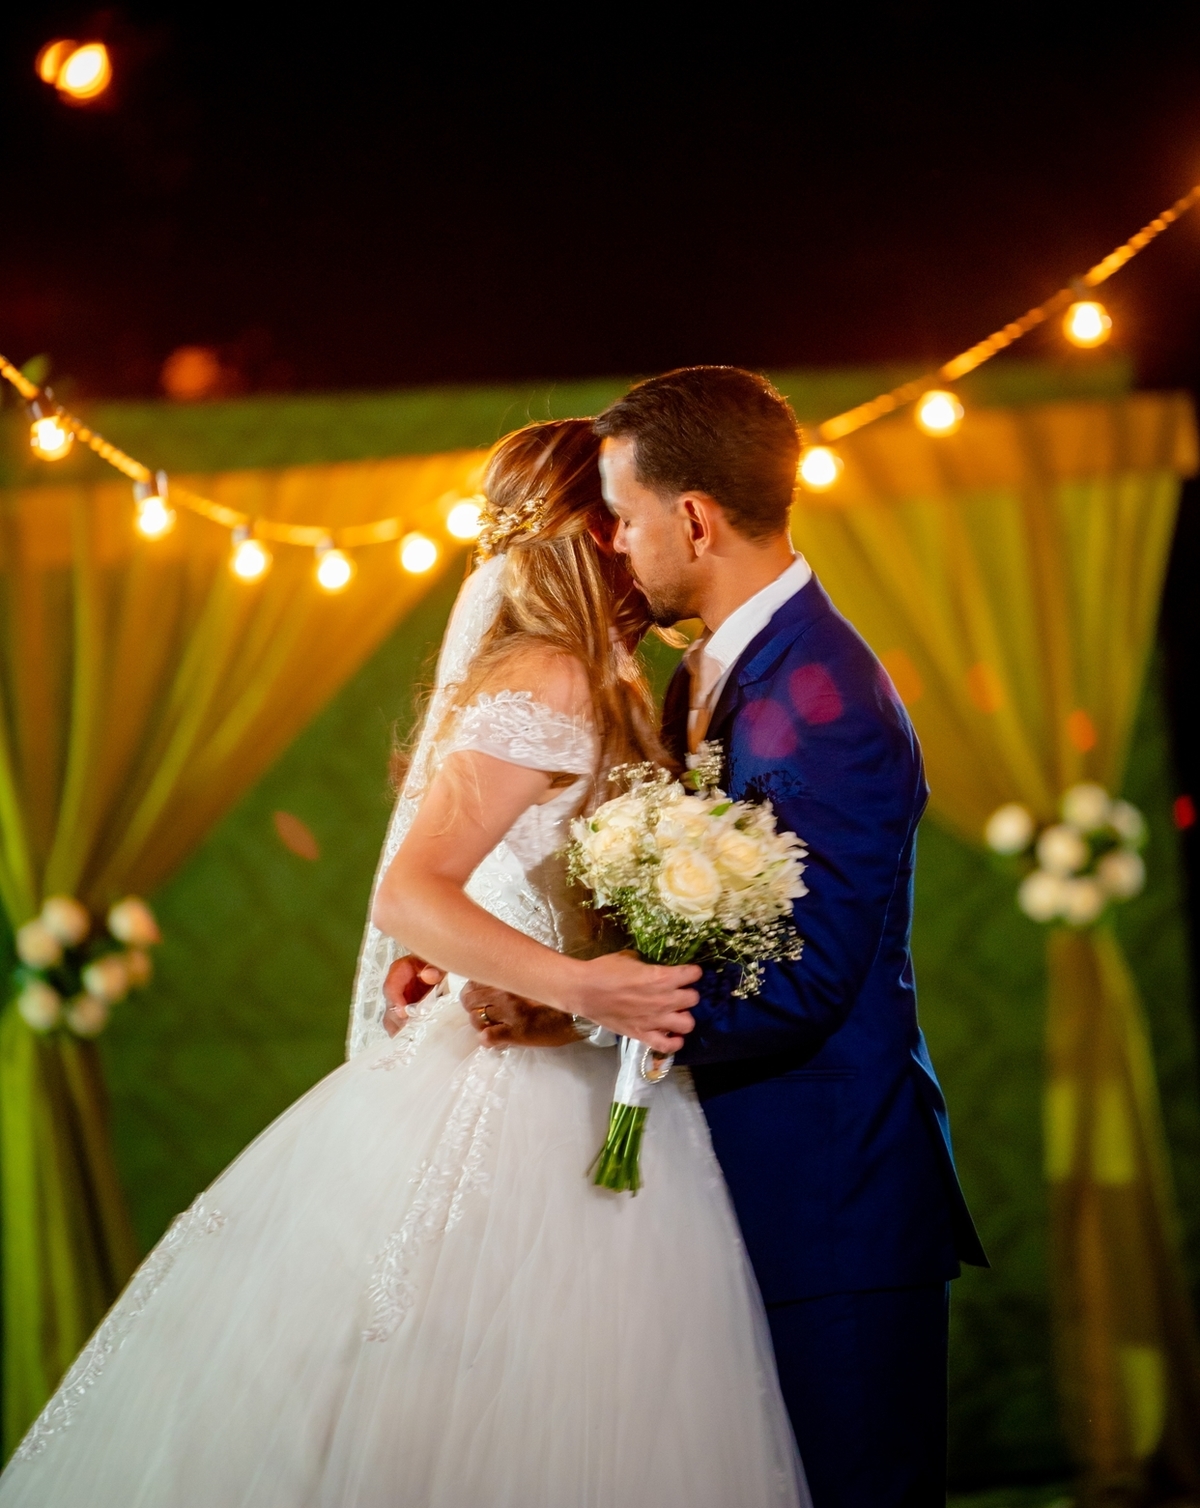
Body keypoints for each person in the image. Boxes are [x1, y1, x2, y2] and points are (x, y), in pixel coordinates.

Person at [0, 417, 808, 1508]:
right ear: (578, 533)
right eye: (615, 516)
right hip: (518, 1103)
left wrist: (555, 971)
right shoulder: (551, 673)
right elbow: (408, 888)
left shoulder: (618, 673)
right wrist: (576, 983)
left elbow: (522, 880)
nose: (636, 534)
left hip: (603, 1077)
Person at [400, 368, 987, 1508]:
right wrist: (496, 943)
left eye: (621, 515)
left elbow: (805, 984)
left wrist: (565, 1004)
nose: (612, 544)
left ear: (696, 519)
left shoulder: (825, 696)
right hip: (718, 1187)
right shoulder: (703, 680)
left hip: (828, 1205)